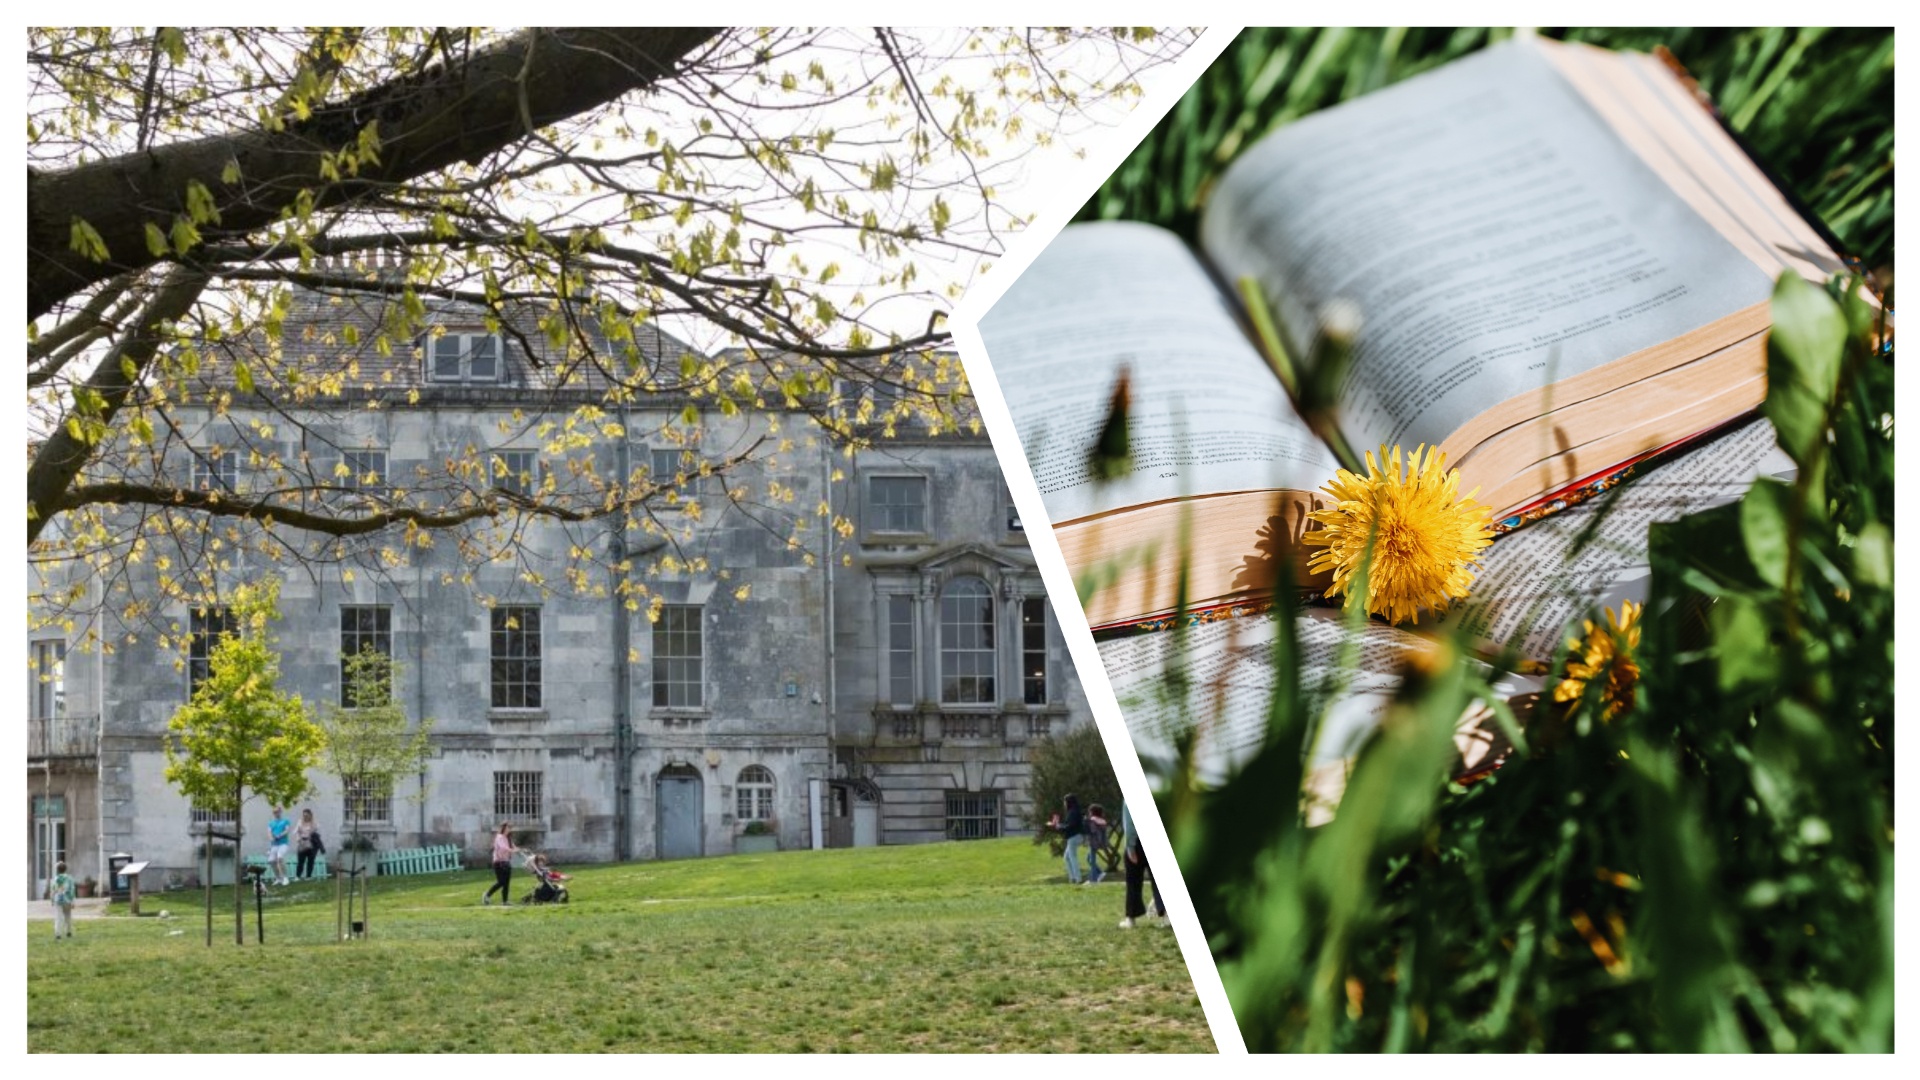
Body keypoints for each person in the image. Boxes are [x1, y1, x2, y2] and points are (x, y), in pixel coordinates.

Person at [1118, 800, 1167, 929]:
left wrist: (1130, 847)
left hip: (1138, 843)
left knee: (1133, 881)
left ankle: (1131, 918)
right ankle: (1166, 916)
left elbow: (1130, 824)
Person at [482, 822, 517, 905]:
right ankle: (487, 895)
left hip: (506, 862)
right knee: (501, 882)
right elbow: (503, 847)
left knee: (506, 883)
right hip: (499, 862)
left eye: (510, 827)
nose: (509, 829)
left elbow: (514, 847)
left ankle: (505, 901)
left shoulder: (508, 838)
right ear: (503, 828)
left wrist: (520, 849)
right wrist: (512, 850)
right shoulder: (499, 837)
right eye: (508, 827)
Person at [1055, 794, 1086, 885]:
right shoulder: (1074, 811)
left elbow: (1070, 826)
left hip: (1074, 836)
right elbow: (1069, 824)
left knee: (1072, 857)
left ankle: (1078, 879)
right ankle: (1073, 878)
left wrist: (1060, 827)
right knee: (1067, 857)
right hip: (1075, 836)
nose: (1064, 804)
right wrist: (1061, 826)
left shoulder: (1073, 812)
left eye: (1065, 801)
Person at [48, 860, 77, 941]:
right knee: (68, 916)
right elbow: (72, 890)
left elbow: (53, 890)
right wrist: (73, 901)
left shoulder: (55, 879)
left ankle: (58, 934)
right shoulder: (70, 878)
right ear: (65, 869)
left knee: (58, 917)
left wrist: (52, 900)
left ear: (57, 869)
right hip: (67, 899)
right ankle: (68, 932)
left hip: (58, 899)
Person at [294, 808, 325, 881]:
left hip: (312, 843)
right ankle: (298, 876)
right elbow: (296, 832)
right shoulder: (299, 822)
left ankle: (308, 876)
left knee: (311, 860)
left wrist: (312, 832)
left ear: (310, 815)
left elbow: (318, 833)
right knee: (300, 860)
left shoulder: (314, 823)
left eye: (307, 815)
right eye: (304, 815)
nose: (305, 817)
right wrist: (298, 839)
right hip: (302, 842)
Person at [1084, 803, 1111, 885]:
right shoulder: (1102, 821)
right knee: (1089, 859)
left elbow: (1092, 831)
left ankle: (1093, 879)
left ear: (1092, 812)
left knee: (1092, 860)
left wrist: (1086, 823)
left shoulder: (1092, 821)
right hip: (1100, 842)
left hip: (1093, 842)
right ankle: (1100, 872)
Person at [267, 805, 293, 886]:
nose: (276, 813)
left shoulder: (285, 821)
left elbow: (287, 830)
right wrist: (271, 838)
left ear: (280, 812)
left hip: (283, 844)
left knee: (280, 858)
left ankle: (285, 878)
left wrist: (280, 835)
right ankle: (278, 878)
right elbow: (269, 832)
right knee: (271, 861)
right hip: (274, 845)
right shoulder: (271, 823)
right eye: (274, 812)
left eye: (277, 812)